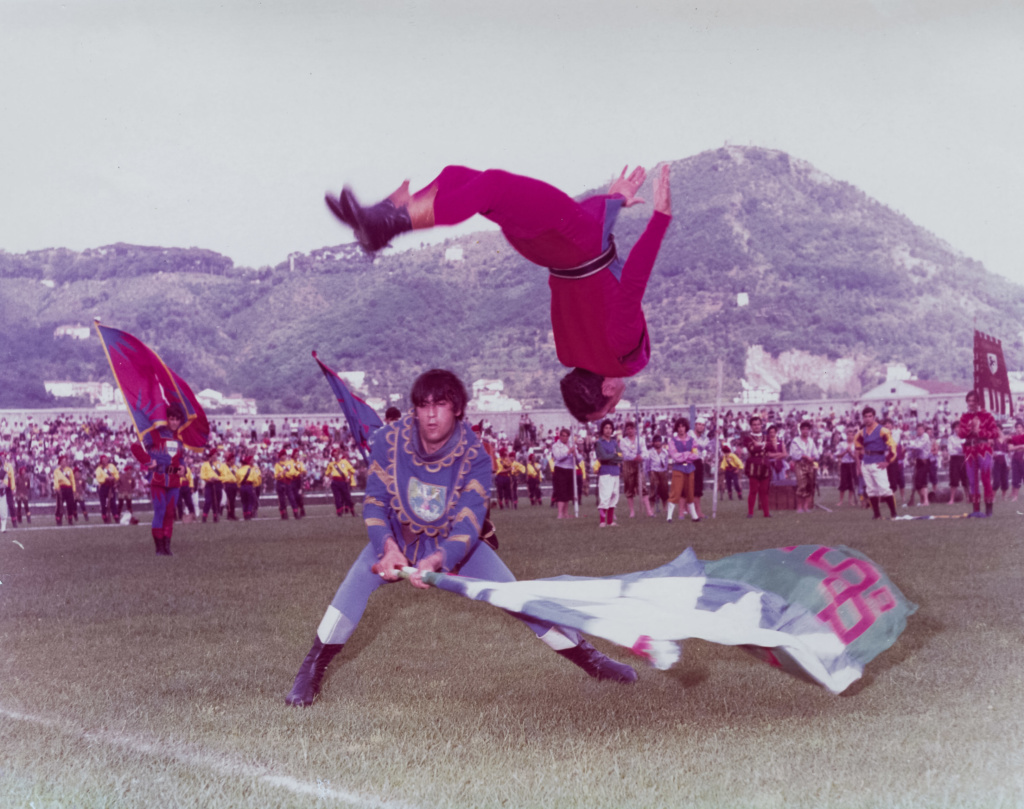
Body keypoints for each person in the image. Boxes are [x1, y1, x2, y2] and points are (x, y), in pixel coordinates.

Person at [284, 369, 637, 707]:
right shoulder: (388, 442)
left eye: (440, 404)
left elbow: (469, 523)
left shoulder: (475, 455)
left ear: (457, 409)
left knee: (518, 599)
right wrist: (387, 548)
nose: (431, 415)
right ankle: (310, 671)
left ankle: (591, 661)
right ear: (414, 409)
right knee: (347, 598)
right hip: (397, 539)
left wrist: (439, 559)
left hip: (456, 546)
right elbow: (375, 502)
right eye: (424, 405)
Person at [328, 164, 673, 422]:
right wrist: (615, 199)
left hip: (572, 244)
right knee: (462, 179)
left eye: (610, 407)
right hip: (545, 251)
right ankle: (386, 217)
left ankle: (390, 223)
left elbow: (631, 284)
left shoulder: (624, 354)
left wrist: (659, 218)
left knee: (486, 185)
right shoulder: (570, 355)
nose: (616, 403)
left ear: (609, 390)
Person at [131, 402, 187, 555]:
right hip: (158, 479)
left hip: (174, 481)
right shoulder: (153, 434)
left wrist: (184, 468)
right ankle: (159, 548)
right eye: (172, 419)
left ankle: (167, 548)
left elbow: (181, 459)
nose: (174, 422)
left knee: (170, 513)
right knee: (160, 512)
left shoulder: (179, 439)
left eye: (177, 419)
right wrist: (148, 461)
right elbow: (135, 447)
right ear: (166, 419)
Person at [957, 389, 1000, 517]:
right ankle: (976, 509)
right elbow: (960, 434)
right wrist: (971, 427)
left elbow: (995, 433)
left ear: (978, 402)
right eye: (969, 401)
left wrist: (980, 432)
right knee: (972, 480)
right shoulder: (965, 417)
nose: (971, 403)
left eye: (973, 401)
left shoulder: (987, 416)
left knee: (986, 478)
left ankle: (989, 509)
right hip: (970, 451)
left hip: (984, 450)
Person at [854, 406, 898, 520]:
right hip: (866, 463)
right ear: (862, 418)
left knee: (884, 488)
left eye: (870, 416)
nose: (868, 419)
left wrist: (887, 461)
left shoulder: (883, 430)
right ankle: (876, 514)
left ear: (874, 417)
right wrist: (859, 465)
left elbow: (892, 447)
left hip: (878, 462)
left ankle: (894, 513)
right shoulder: (860, 433)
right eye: (865, 417)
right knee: (871, 490)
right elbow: (857, 449)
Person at [742, 416, 777, 519]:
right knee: (753, 490)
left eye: (758, 424)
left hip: (765, 466)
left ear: (761, 425)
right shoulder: (748, 438)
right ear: (751, 426)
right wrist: (764, 445)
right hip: (753, 466)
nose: (757, 426)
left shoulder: (766, 437)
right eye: (754, 425)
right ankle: (750, 513)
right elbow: (752, 449)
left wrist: (760, 444)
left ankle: (766, 513)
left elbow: (772, 448)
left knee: (764, 490)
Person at [666, 417, 700, 523]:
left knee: (690, 492)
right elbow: (675, 456)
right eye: (679, 427)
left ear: (686, 427)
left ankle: (694, 516)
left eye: (683, 426)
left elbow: (696, 455)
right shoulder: (672, 441)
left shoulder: (692, 440)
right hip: (678, 469)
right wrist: (687, 454)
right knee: (675, 491)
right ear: (676, 428)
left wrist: (684, 455)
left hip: (690, 469)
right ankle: (669, 516)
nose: (681, 429)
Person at [620, 420, 653, 518]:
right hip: (628, 465)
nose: (630, 431)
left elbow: (645, 452)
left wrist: (641, 457)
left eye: (632, 428)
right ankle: (632, 512)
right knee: (629, 488)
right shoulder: (623, 441)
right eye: (628, 429)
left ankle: (649, 511)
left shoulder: (641, 440)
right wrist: (635, 457)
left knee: (643, 487)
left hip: (639, 465)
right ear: (626, 431)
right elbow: (625, 454)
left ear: (635, 429)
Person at [594, 419, 623, 527]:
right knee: (605, 496)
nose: (608, 430)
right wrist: (614, 456)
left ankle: (610, 521)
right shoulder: (599, 443)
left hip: (615, 471)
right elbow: (603, 457)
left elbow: (621, 457)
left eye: (610, 428)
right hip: (605, 472)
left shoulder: (614, 442)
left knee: (614, 496)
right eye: (606, 428)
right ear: (602, 429)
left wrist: (614, 457)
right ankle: (602, 521)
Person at [789, 420, 819, 513]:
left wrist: (812, 458)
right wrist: (805, 456)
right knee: (801, 485)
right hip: (800, 464)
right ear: (800, 430)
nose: (805, 431)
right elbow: (794, 454)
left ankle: (806, 507)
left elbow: (816, 453)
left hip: (810, 465)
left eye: (807, 429)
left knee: (809, 486)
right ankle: (799, 507)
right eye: (803, 429)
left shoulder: (811, 440)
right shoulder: (795, 440)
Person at [550, 428, 577, 519]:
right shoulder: (556, 446)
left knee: (568, 492)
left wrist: (576, 454)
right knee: (561, 491)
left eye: (567, 436)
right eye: (563, 436)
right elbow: (558, 456)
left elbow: (579, 459)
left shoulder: (571, 445)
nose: (565, 438)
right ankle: (560, 514)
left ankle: (566, 513)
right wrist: (569, 452)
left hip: (570, 469)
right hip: (560, 470)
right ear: (560, 436)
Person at [326, 447, 356, 517]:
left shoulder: (344, 462)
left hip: (343, 482)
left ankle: (351, 510)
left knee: (347, 497)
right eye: (334, 455)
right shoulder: (331, 464)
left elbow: (351, 471)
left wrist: (348, 478)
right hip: (335, 482)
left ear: (339, 454)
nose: (335, 456)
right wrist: (331, 477)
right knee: (337, 497)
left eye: (336, 454)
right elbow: (327, 473)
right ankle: (339, 510)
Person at [645, 435, 670, 514]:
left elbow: (666, 463)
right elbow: (647, 464)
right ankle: (652, 508)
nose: (658, 443)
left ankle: (665, 507)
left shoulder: (665, 452)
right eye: (656, 441)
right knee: (653, 489)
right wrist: (649, 473)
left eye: (659, 441)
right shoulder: (650, 452)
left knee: (665, 489)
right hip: (653, 471)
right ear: (653, 443)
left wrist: (665, 471)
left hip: (662, 471)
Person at [834, 426, 859, 506]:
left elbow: (856, 457)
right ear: (846, 435)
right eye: (848, 435)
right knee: (843, 482)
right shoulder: (842, 444)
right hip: (844, 464)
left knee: (852, 482)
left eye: (852, 435)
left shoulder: (855, 444)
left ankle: (850, 501)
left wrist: (851, 453)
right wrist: (845, 452)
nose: (850, 436)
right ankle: (840, 501)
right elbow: (837, 455)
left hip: (852, 464)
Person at [274, 449, 301, 520]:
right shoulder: (277, 465)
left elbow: (293, 472)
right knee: (282, 500)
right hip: (280, 483)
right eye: (283, 455)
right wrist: (283, 474)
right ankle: (283, 514)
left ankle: (296, 513)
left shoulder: (290, 463)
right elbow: (276, 476)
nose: (284, 456)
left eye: (285, 455)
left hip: (288, 483)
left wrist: (285, 473)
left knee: (292, 498)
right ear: (280, 456)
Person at [199, 449, 223, 523]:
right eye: (214, 454)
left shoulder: (220, 464)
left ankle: (215, 516)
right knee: (208, 500)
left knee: (217, 501)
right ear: (211, 455)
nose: (215, 456)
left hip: (218, 484)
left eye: (216, 454)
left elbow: (224, 474)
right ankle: (204, 516)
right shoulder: (205, 464)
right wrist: (209, 479)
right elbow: (202, 475)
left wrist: (217, 478)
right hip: (209, 484)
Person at [95, 454, 120, 523]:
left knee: (112, 502)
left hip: (111, 486)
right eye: (104, 460)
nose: (105, 461)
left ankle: (115, 515)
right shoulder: (99, 469)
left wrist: (114, 478)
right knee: (103, 503)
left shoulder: (112, 466)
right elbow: (99, 479)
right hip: (103, 487)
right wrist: (105, 479)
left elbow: (116, 474)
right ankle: (104, 515)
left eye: (106, 459)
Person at [236, 453, 261, 520]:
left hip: (242, 487)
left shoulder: (239, 470)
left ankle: (244, 513)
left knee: (244, 501)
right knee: (250, 501)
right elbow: (255, 479)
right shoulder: (251, 469)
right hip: (249, 486)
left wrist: (239, 487)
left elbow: (237, 480)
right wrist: (255, 484)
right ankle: (249, 513)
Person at [53, 455, 76, 526]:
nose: (64, 462)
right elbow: (56, 480)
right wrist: (57, 488)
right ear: (60, 462)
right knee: (59, 505)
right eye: (63, 461)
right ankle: (58, 519)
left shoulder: (69, 470)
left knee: (70, 504)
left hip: (69, 488)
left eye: (65, 461)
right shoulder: (57, 471)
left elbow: (72, 480)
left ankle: (70, 518)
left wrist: (74, 489)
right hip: (61, 489)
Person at [1009, 420, 1024, 501]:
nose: (1019, 429)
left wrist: (1016, 447)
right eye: (1017, 427)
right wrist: (1021, 446)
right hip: (1016, 458)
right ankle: (1015, 496)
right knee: (1016, 477)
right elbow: (1010, 448)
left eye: (1020, 427)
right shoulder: (1013, 438)